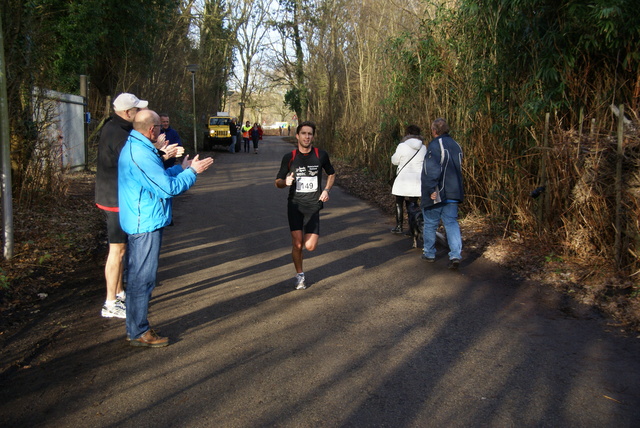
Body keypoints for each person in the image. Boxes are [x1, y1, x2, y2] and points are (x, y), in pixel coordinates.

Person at [118, 109, 214, 347]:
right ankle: (138, 331)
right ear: (152, 130)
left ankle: (136, 327)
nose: (162, 131)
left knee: (140, 278)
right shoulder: (139, 153)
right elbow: (167, 189)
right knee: (142, 279)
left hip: (143, 219)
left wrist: (181, 167)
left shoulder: (139, 147)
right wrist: (193, 172)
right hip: (145, 224)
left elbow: (158, 177)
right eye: (160, 128)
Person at [95, 93, 148, 319]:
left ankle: (119, 292)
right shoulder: (118, 133)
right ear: (127, 113)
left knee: (121, 249)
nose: (139, 113)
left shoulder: (115, 127)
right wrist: (158, 152)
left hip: (112, 196)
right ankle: (110, 303)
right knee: (116, 250)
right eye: (137, 110)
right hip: (115, 199)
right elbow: (133, 163)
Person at [275, 121, 336, 290]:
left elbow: (331, 174)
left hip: (313, 205)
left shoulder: (320, 155)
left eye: (310, 134)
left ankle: (300, 269)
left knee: (310, 246)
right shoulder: (290, 157)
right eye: (303, 133)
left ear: (313, 137)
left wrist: (327, 190)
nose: (307, 137)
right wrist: (285, 182)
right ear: (297, 136)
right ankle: (300, 275)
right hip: (294, 204)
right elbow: (277, 182)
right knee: (298, 244)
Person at [420, 118, 464, 269]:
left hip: (438, 192)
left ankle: (429, 253)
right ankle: (455, 255)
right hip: (453, 192)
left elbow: (430, 169)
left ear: (434, 131)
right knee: (451, 223)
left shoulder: (434, 145)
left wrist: (431, 189)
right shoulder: (456, 145)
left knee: (430, 223)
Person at [390, 124, 426, 234]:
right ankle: (413, 228)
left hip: (403, 179)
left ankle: (399, 226)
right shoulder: (423, 147)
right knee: (413, 204)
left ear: (408, 134)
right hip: (417, 180)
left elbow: (395, 161)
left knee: (399, 202)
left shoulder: (402, 146)